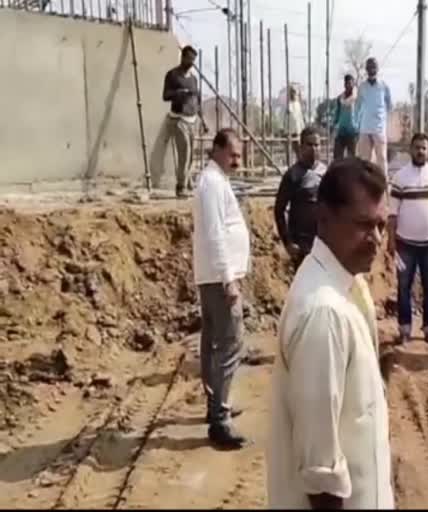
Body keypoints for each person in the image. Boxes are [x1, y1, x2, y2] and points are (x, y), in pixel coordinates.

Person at [267, 157, 393, 509]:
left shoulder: (347, 283)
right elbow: (320, 474)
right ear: (323, 218)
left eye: (382, 225)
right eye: (363, 225)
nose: (377, 240)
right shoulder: (325, 313)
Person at [192, 129, 248, 449]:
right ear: (217, 151)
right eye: (233, 155)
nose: (238, 161)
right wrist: (228, 278)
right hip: (218, 279)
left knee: (215, 343)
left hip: (215, 276)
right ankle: (220, 420)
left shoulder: (215, 180)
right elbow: (214, 234)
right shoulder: (211, 183)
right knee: (230, 344)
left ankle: (217, 405)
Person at [388, 133, 428, 347]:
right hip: (405, 244)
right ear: (410, 150)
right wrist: (391, 240)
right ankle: (404, 329)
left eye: (424, 148)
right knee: (404, 286)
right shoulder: (400, 177)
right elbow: (392, 213)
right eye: (417, 148)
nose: (420, 151)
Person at [151, 45, 208, 198]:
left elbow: (198, 101)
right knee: (184, 152)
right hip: (178, 119)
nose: (191, 62)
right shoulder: (172, 75)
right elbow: (165, 96)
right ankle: (180, 186)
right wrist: (178, 93)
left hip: (192, 120)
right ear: (182, 57)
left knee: (191, 155)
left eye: (193, 60)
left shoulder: (194, 79)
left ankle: (187, 181)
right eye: (189, 58)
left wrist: (203, 121)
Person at [274, 127, 327, 270]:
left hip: (323, 244)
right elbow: (279, 210)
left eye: (317, 145)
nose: (314, 149)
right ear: (301, 147)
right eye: (310, 145)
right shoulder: (293, 175)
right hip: (302, 246)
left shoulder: (326, 173)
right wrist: (288, 242)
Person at [356, 57, 392, 175]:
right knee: (364, 161)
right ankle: (365, 186)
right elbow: (358, 107)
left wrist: (382, 119)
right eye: (369, 66)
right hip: (365, 128)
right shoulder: (362, 87)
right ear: (366, 69)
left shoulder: (384, 86)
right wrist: (358, 124)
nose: (372, 68)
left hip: (379, 128)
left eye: (374, 66)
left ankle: (384, 187)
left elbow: (389, 105)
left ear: (377, 68)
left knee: (381, 159)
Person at [332, 74, 359, 161]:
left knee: (352, 158)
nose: (349, 85)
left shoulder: (357, 98)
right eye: (347, 83)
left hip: (353, 132)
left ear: (353, 84)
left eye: (351, 83)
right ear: (344, 84)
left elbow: (361, 113)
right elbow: (337, 113)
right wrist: (333, 125)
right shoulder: (340, 98)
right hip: (341, 131)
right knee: (337, 157)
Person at [286, 86, 305, 159]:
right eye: (292, 92)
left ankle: (299, 159)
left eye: (294, 93)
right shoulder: (289, 104)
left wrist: (302, 127)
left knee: (297, 146)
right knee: (291, 147)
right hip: (291, 129)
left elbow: (300, 117)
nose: (293, 94)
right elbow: (288, 117)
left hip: (297, 129)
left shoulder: (297, 104)